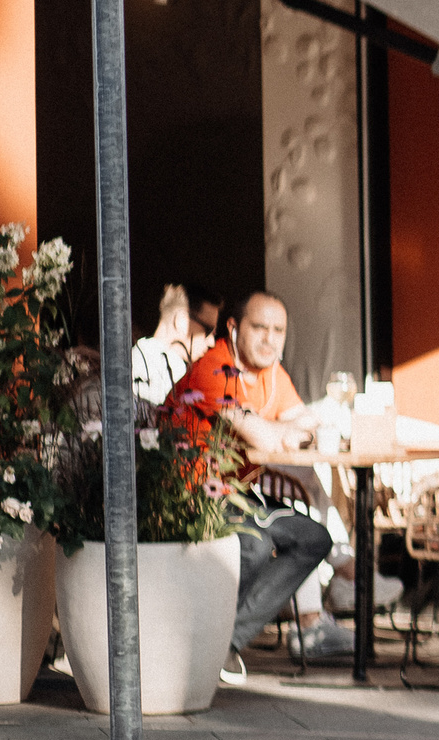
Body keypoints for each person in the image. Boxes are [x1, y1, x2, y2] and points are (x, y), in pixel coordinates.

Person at [169, 291, 352, 680]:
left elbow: (309, 425)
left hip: (236, 495)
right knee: (254, 544)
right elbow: (266, 440)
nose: (271, 339)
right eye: (260, 328)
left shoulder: (271, 375)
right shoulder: (213, 369)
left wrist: (278, 430)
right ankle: (201, 642)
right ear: (234, 329)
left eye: (279, 330)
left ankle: (222, 641)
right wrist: (280, 431)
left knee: (314, 538)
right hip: (190, 493)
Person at [131, 283, 202, 406]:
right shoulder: (174, 368)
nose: (211, 341)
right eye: (207, 329)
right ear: (181, 321)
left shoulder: (138, 352)